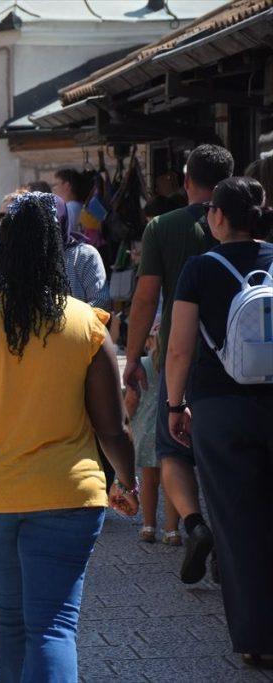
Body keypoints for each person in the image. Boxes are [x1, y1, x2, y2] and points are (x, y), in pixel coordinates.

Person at [0, 191, 139, 682]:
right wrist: (126, 481)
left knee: (9, 620)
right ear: (57, 247)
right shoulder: (87, 326)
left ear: (4, 245)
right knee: (53, 626)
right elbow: (113, 427)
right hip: (69, 495)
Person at [166, 176, 273, 668]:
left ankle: (256, 638)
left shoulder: (200, 269)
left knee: (235, 520)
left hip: (219, 407)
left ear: (219, 217)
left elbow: (180, 346)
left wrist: (173, 404)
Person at [123, 144, 233, 584]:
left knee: (173, 449)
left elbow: (147, 297)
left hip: (178, 354)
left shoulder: (163, 228)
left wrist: (132, 359)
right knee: (228, 451)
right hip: (238, 358)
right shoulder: (247, 224)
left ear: (186, 180)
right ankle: (228, 536)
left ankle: (192, 523)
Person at [125, 325, 181, 545]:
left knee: (148, 480)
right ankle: (172, 530)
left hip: (146, 430)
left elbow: (131, 400)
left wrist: (127, 420)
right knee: (172, 480)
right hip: (170, 428)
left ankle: (148, 526)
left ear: (149, 342)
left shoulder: (143, 366)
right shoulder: (176, 367)